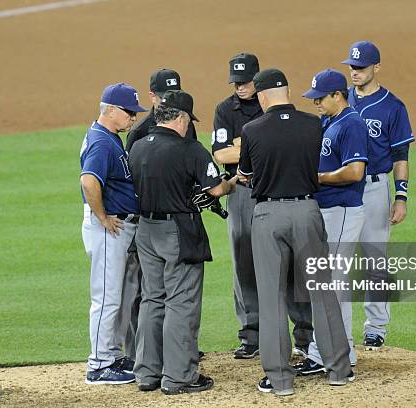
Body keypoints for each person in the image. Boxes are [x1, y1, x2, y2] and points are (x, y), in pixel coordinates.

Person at [237, 68, 353, 396]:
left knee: (272, 297)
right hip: (307, 211)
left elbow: (245, 175)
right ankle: (339, 371)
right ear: (287, 91)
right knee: (322, 291)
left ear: (261, 95)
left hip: (268, 216)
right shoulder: (313, 124)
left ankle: (280, 380)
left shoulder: (252, 129)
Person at [129, 90, 238, 395]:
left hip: (145, 230)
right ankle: (179, 377)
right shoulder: (190, 149)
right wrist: (232, 182)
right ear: (180, 118)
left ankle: (148, 373)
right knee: (181, 302)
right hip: (176, 231)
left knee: (152, 299)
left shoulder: (137, 147)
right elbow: (215, 190)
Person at [213, 52, 314, 359]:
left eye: (245, 82)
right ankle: (251, 334)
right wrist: (254, 147)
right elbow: (221, 156)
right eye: (235, 82)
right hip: (243, 192)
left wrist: (244, 146)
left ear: (257, 81)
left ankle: (305, 335)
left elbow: (261, 147)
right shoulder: (224, 109)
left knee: (293, 263)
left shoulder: (271, 102)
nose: (240, 87)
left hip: (279, 187)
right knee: (244, 260)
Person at [293, 69, 369, 375]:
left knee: (332, 284)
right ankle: (341, 350)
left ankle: (326, 353)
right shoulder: (329, 121)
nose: (316, 104)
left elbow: (355, 172)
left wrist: (318, 178)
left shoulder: (352, 123)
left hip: (342, 210)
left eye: (320, 98)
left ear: (338, 94)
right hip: (327, 211)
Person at [341, 40, 415, 350]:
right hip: (342, 190)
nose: (355, 72)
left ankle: (376, 327)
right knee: (338, 260)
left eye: (360, 67)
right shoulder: (341, 99)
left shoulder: (392, 107)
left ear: (376, 68)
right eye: (352, 67)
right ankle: (338, 330)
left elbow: (400, 156)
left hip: (373, 188)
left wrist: (401, 197)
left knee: (374, 259)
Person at [80, 82, 147, 384]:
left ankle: (109, 353)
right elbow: (88, 182)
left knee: (118, 294)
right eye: (129, 112)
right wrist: (103, 217)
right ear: (110, 110)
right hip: (111, 227)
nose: (134, 118)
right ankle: (98, 365)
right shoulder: (102, 142)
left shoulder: (107, 136)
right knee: (107, 297)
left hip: (117, 226)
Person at [125, 68, 197, 154]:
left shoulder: (186, 123)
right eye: (165, 97)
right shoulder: (139, 132)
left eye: (174, 96)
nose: (171, 102)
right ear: (152, 97)